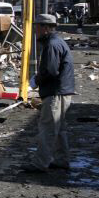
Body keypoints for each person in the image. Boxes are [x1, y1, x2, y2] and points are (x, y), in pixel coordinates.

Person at [23, 13, 75, 172]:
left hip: (55, 93)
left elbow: (50, 71)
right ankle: (62, 160)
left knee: (48, 128)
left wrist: (35, 81)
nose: (35, 31)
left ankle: (40, 163)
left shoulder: (52, 45)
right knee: (59, 129)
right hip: (63, 91)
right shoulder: (57, 42)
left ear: (45, 28)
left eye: (37, 27)